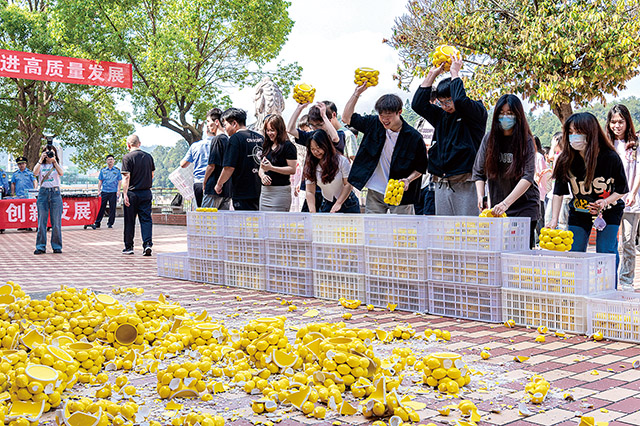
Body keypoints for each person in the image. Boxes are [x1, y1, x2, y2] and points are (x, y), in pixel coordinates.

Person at [547, 112, 628, 282]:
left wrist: (605, 201)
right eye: (570, 132)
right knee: (575, 252)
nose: (573, 137)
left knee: (605, 251)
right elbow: (558, 192)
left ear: (591, 133)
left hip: (609, 211)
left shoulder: (610, 157)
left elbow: (622, 189)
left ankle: (608, 289)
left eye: (578, 132)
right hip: (579, 210)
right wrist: (554, 219)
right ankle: (577, 290)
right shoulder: (565, 159)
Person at [411, 55, 488, 216]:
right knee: (446, 233)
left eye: (448, 101)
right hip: (441, 182)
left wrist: (455, 73)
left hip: (466, 181)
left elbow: (460, 100)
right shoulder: (440, 116)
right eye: (441, 102)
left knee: (469, 230)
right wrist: (433, 74)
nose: (445, 106)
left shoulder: (475, 112)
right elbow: (417, 104)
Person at [342, 87, 427, 214]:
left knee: (403, 230)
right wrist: (357, 93)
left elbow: (421, 168)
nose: (385, 120)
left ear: (399, 112)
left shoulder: (414, 137)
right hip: (375, 190)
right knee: (372, 230)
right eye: (381, 115)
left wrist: (408, 180)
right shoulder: (373, 123)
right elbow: (346, 118)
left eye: (389, 116)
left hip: (400, 193)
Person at [472, 94, 540, 248]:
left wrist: (506, 203)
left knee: (520, 251)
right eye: (501, 113)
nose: (505, 117)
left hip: (524, 205)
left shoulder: (527, 140)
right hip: (498, 206)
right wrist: (480, 196)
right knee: (499, 250)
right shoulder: (489, 139)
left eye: (510, 113)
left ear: (518, 115)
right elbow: (478, 172)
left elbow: (528, 177)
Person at [607, 105, 640, 289]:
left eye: (621, 121)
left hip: (630, 200)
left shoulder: (635, 144)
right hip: (609, 200)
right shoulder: (606, 143)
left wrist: (633, 193)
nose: (617, 125)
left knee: (627, 241)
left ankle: (626, 280)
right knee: (611, 241)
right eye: (613, 122)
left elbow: (638, 171)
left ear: (627, 122)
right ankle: (609, 279)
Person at [287, 102, 341, 212]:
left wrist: (324, 116)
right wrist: (299, 109)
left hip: (331, 191)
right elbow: (290, 129)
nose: (316, 129)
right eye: (313, 125)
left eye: (320, 125)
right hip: (312, 189)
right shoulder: (310, 137)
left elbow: (335, 138)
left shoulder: (337, 136)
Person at [214, 108, 263, 211]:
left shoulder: (235, 139)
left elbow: (229, 167)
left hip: (243, 191)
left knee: (246, 223)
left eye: (226, 125)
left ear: (234, 123)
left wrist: (219, 184)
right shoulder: (260, 138)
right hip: (261, 190)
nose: (225, 129)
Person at [303, 129, 359, 213]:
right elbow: (310, 191)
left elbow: (348, 184)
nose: (316, 152)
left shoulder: (341, 161)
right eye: (312, 149)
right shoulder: (311, 165)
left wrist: (338, 203)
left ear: (326, 145)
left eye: (318, 148)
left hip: (348, 202)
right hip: (327, 202)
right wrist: (312, 211)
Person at [121, 134, 155, 256]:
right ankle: (147, 244)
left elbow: (126, 177)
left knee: (129, 221)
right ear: (139, 143)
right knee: (146, 219)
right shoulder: (148, 157)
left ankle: (129, 246)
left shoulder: (127, 158)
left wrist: (124, 194)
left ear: (128, 145)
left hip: (132, 193)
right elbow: (152, 175)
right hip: (146, 192)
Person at [259, 114, 297, 211]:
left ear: (279, 130)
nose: (269, 133)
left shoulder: (288, 146)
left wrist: (272, 168)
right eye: (267, 130)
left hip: (281, 192)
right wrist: (263, 176)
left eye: (272, 130)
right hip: (265, 192)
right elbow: (261, 168)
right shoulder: (267, 145)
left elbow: (292, 170)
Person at [33, 145, 64, 254]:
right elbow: (35, 173)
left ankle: (57, 246)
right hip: (43, 193)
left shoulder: (56, 165)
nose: (49, 155)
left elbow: (61, 173)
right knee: (42, 221)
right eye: (46, 153)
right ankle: (40, 246)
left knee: (56, 222)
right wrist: (41, 160)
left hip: (55, 193)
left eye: (51, 153)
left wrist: (54, 161)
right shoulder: (41, 165)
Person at [202, 108, 232, 210]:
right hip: (227, 188)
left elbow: (211, 166)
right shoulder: (229, 140)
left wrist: (204, 182)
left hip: (213, 188)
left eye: (208, 121)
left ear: (216, 122)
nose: (207, 125)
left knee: (206, 221)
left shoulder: (217, 140)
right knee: (222, 223)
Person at [180, 120, 212, 207]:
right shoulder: (222, 143)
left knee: (202, 213)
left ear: (206, 131)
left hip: (199, 183)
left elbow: (183, 164)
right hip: (216, 183)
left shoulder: (195, 146)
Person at [92, 155, 122, 229]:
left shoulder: (117, 170)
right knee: (101, 207)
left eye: (111, 159)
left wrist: (118, 190)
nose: (110, 161)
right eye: (108, 159)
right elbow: (100, 181)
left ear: (114, 161)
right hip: (104, 191)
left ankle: (110, 223)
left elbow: (120, 181)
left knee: (112, 208)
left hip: (113, 192)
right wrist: (99, 190)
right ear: (106, 161)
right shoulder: (103, 170)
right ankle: (97, 222)